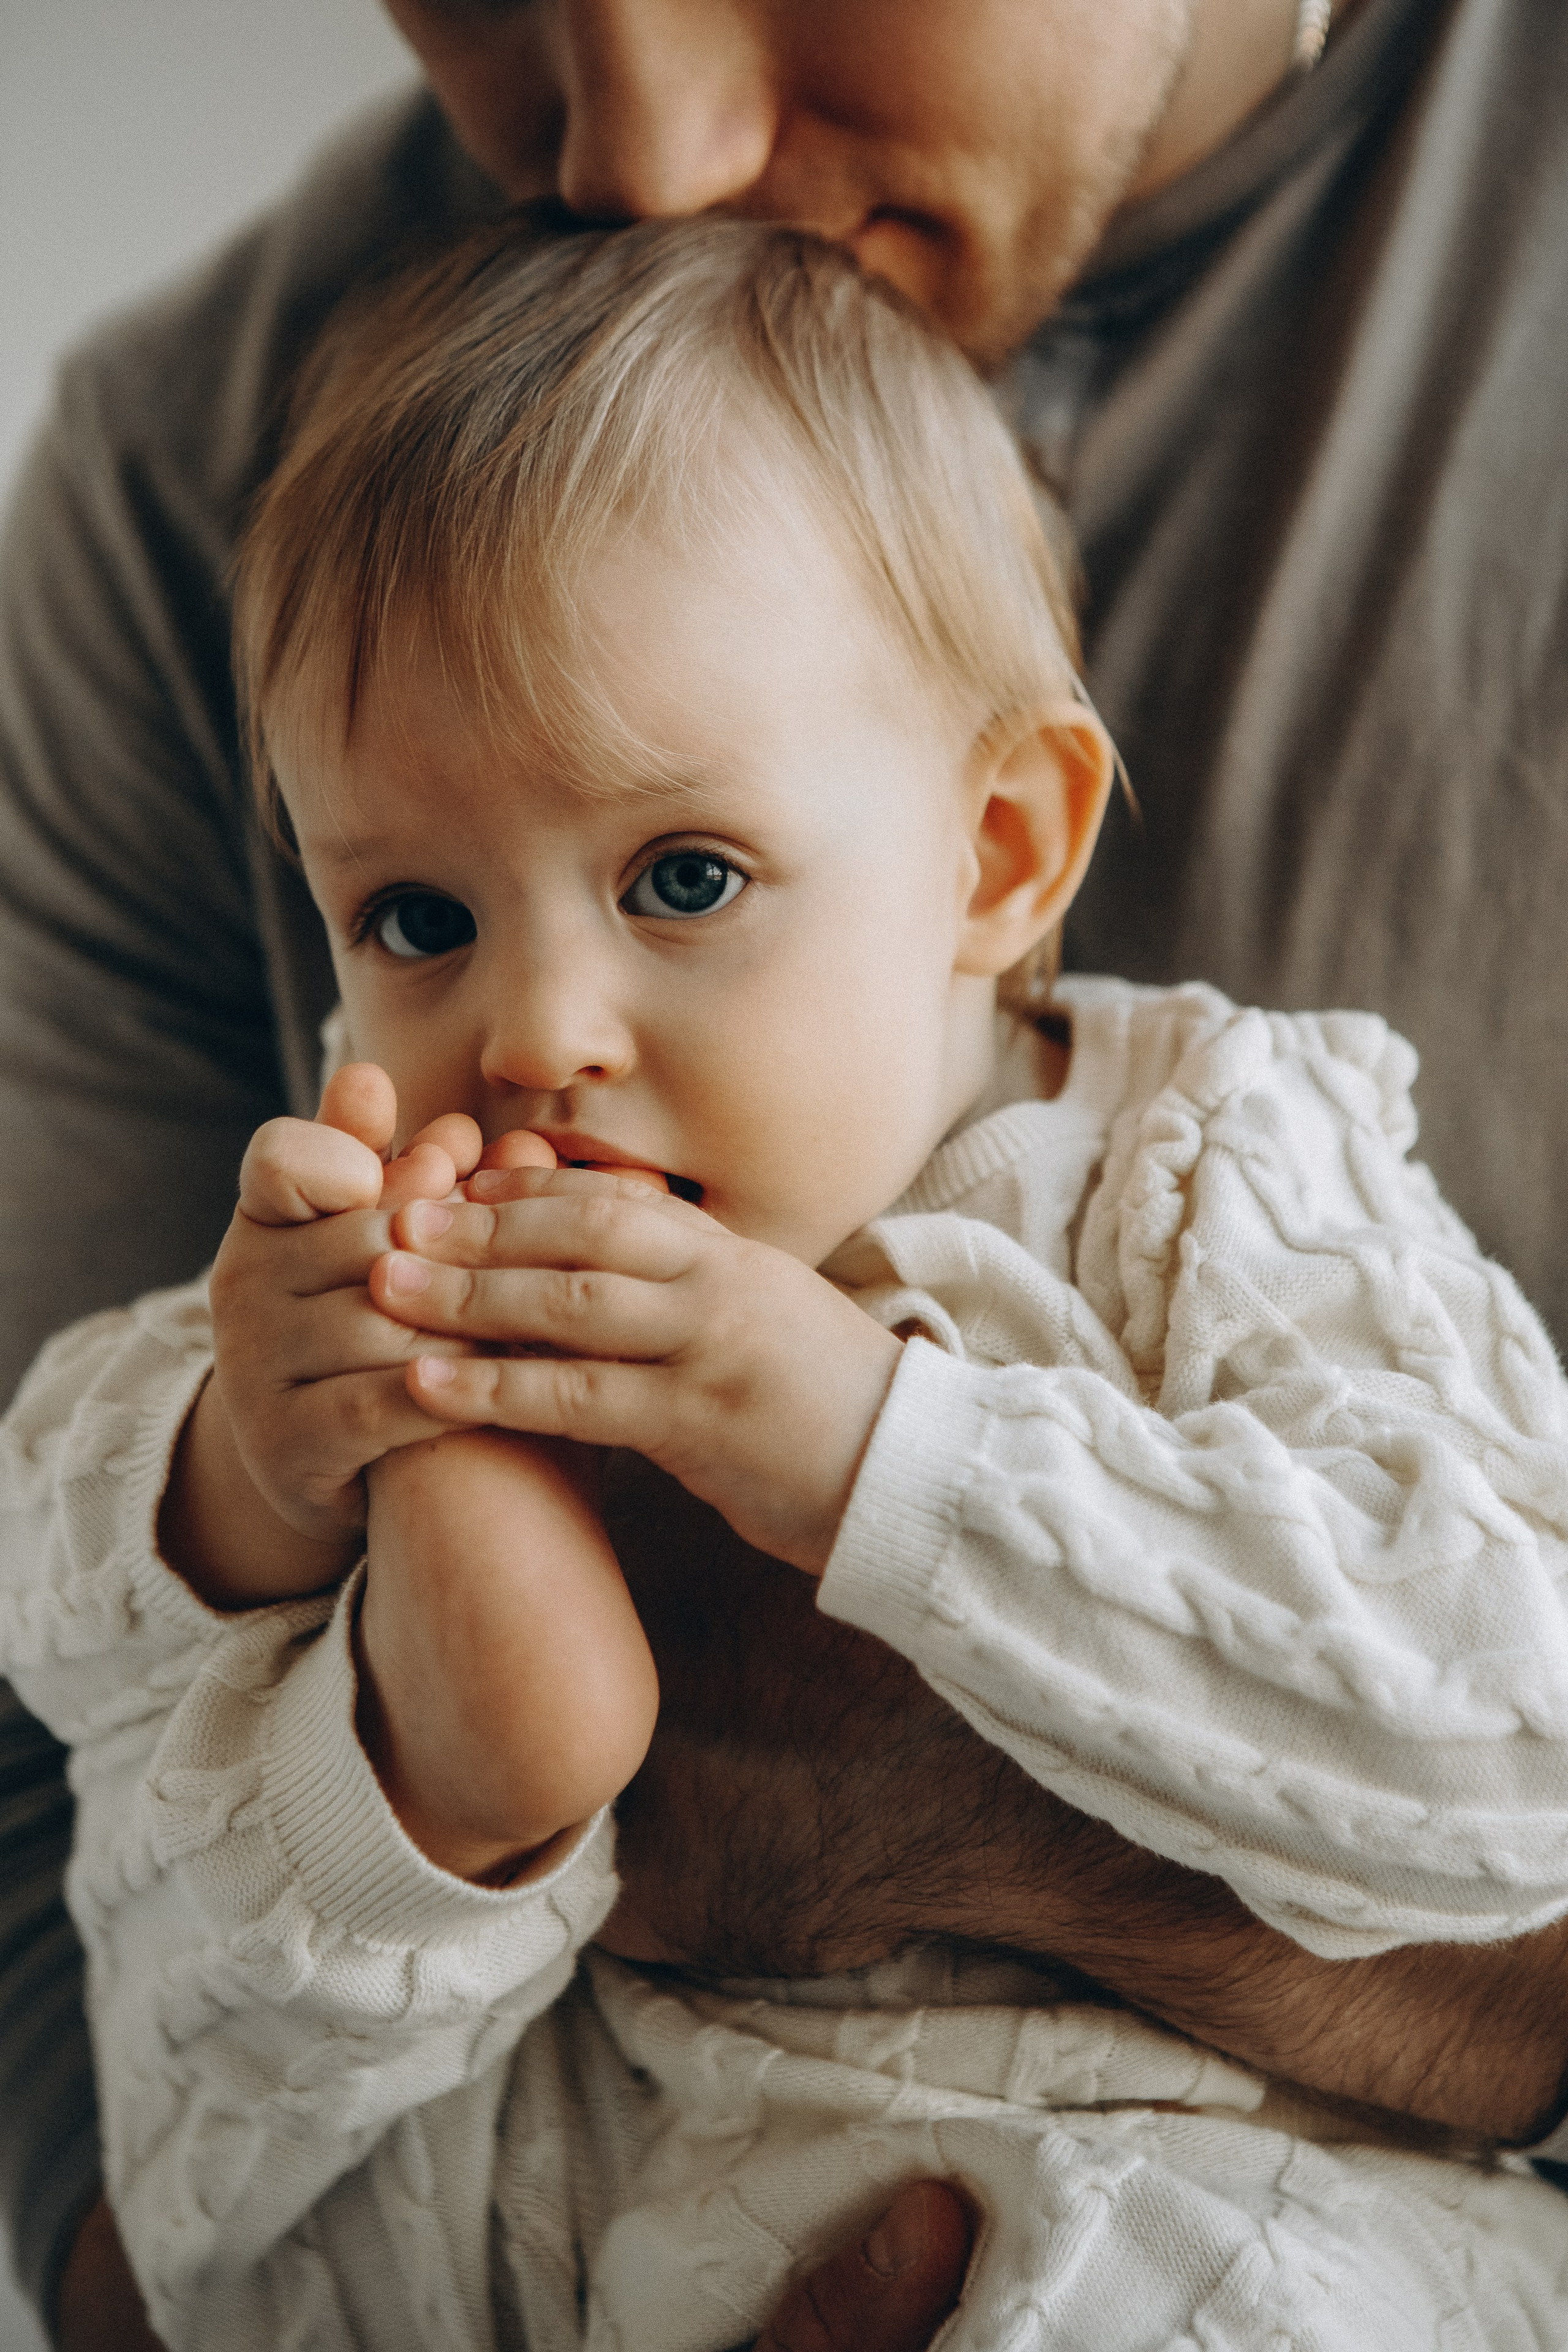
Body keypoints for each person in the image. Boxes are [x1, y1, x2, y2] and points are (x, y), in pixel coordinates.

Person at [6, 0, 1568, 2342]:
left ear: (1000, 848)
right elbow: (61, 1792)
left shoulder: (1207, 1170)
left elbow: (1515, 1719)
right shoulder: (194, 512)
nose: (647, 149)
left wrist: (885, 1465)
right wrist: (249, 1484)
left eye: (689, 880)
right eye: (410, 919)